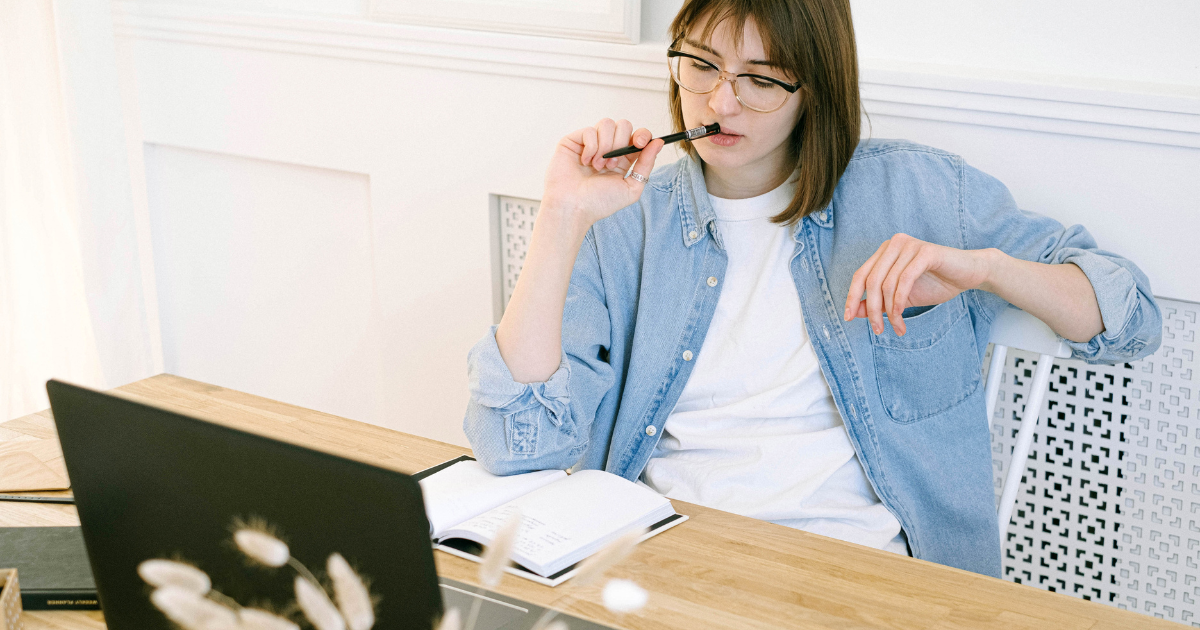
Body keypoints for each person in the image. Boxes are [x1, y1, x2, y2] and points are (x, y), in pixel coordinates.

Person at [462, 0, 1161, 577]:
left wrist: (987, 269)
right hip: (664, 558)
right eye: (700, 64)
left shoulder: (917, 190)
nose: (719, 99)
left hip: (857, 570)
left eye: (760, 79)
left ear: (815, 90)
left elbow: (1130, 316)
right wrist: (561, 216)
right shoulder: (627, 217)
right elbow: (516, 444)